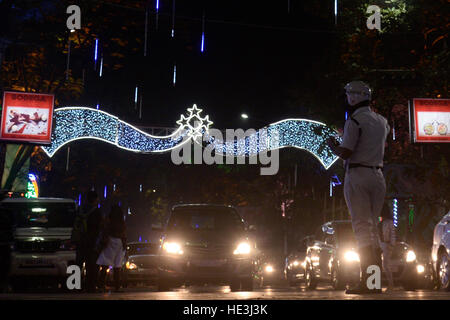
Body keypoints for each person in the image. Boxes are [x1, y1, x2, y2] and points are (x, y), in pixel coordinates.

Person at [327, 81, 390, 294]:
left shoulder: (354, 121)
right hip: (378, 175)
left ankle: (369, 282)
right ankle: (376, 281)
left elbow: (346, 151)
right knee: (373, 228)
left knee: (362, 228)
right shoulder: (382, 121)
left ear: (353, 97)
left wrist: (332, 146)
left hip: (358, 174)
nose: (346, 100)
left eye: (348, 96)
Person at [72, 190, 103, 293]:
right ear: (94, 199)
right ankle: (90, 287)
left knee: (78, 264)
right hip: (91, 242)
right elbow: (99, 228)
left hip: (80, 240)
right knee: (91, 266)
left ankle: (74, 285)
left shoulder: (80, 210)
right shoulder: (97, 211)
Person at [96, 205, 127, 292]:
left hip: (110, 241)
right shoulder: (122, 222)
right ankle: (117, 286)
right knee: (117, 266)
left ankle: (101, 285)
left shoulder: (109, 221)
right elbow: (124, 234)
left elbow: (104, 229)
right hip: (119, 243)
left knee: (105, 264)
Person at [378, 203, 396, 292]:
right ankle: (387, 284)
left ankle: (391, 284)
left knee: (385, 265)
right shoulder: (381, 222)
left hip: (386, 244)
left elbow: (392, 234)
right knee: (383, 265)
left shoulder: (388, 222)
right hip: (381, 244)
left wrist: (391, 245)